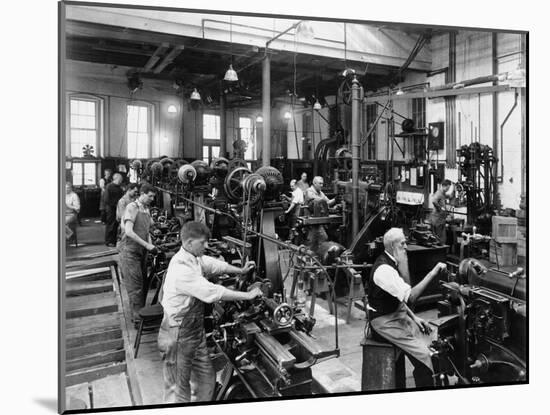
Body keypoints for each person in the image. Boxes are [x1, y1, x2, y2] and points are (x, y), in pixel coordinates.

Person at [158, 221, 263, 404]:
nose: (206, 246)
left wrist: (240, 270)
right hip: (177, 334)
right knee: (178, 388)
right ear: (189, 243)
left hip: (194, 333)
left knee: (206, 378)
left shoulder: (193, 257)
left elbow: (212, 265)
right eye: (202, 243)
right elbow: (212, 292)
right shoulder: (181, 268)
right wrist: (248, 295)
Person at [367, 228, 447, 388]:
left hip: (397, 315)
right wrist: (433, 272)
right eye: (402, 243)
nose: (406, 247)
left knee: (432, 343)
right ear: (391, 245)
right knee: (425, 357)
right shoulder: (384, 270)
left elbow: (399, 300)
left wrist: (415, 318)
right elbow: (410, 297)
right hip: (383, 323)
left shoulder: (392, 263)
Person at [119, 183, 157, 324]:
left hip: (141, 251)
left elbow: (147, 231)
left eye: (153, 196)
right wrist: (148, 245)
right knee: (136, 286)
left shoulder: (146, 209)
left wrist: (151, 245)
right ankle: (138, 319)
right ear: (142, 193)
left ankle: (141, 314)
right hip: (130, 251)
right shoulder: (132, 207)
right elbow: (129, 231)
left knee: (142, 284)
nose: (152, 199)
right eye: (150, 196)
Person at [104, 173, 124, 246]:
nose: (121, 181)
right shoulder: (109, 186)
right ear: (116, 179)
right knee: (110, 225)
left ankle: (114, 240)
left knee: (115, 225)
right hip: (111, 209)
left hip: (117, 208)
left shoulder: (119, 188)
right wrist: (115, 205)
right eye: (120, 179)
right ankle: (109, 241)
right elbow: (106, 199)